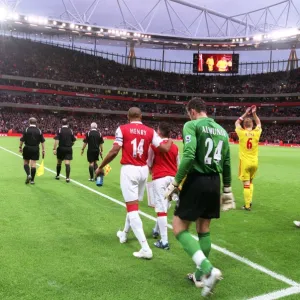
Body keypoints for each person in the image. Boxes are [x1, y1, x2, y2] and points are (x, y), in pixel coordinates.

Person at [165, 98, 234, 297]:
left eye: (189, 113)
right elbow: (227, 162)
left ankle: (208, 270)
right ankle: (198, 276)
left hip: (197, 180)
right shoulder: (222, 131)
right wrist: (227, 188)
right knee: (204, 229)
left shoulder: (192, 125)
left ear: (193, 111)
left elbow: (188, 154)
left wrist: (176, 182)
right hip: (215, 182)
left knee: (178, 227)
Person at [95, 107, 172, 259]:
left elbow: (114, 151)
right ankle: (124, 234)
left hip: (129, 170)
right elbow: (163, 148)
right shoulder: (150, 131)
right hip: (143, 171)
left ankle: (145, 249)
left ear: (128, 116)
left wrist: (100, 167)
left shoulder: (122, 129)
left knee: (132, 210)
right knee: (133, 205)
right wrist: (169, 139)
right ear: (141, 116)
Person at [147, 122, 180, 250]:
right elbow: (178, 164)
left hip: (160, 178)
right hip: (172, 179)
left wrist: (151, 170)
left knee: (161, 208)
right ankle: (156, 230)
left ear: (159, 133)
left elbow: (149, 162)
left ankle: (164, 242)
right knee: (165, 205)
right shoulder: (175, 147)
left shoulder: (154, 146)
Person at [235, 106, 262, 211]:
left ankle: (247, 205)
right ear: (252, 124)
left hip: (245, 162)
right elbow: (259, 123)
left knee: (246, 184)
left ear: (244, 125)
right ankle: (249, 202)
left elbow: (237, 123)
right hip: (254, 162)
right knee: (251, 182)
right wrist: (254, 114)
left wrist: (246, 113)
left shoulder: (241, 132)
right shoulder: (256, 132)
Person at [19, 117, 45, 184]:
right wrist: (43, 150)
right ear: (36, 123)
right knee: (33, 164)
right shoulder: (39, 130)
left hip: (27, 148)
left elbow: (22, 139)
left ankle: (28, 175)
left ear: (29, 122)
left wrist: (20, 147)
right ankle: (32, 180)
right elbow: (42, 141)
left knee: (25, 163)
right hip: (35, 148)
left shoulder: (26, 129)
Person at [53, 118, 76, 183]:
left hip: (61, 148)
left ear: (61, 123)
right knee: (67, 163)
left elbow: (57, 140)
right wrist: (70, 145)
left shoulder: (59, 130)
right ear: (67, 123)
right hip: (68, 148)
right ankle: (67, 178)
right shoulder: (70, 130)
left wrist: (54, 149)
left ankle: (57, 175)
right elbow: (74, 141)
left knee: (59, 162)